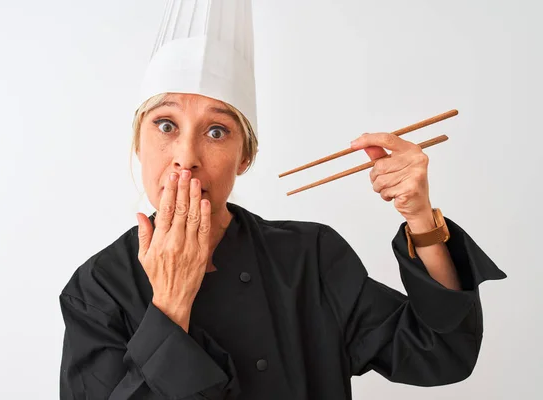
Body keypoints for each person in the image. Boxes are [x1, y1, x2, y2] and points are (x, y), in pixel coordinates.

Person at [58, 1, 506, 399]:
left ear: (245, 157)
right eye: (166, 125)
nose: (186, 158)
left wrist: (421, 219)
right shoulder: (97, 290)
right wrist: (172, 304)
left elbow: (442, 352)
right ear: (139, 141)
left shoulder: (308, 258)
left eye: (217, 131)